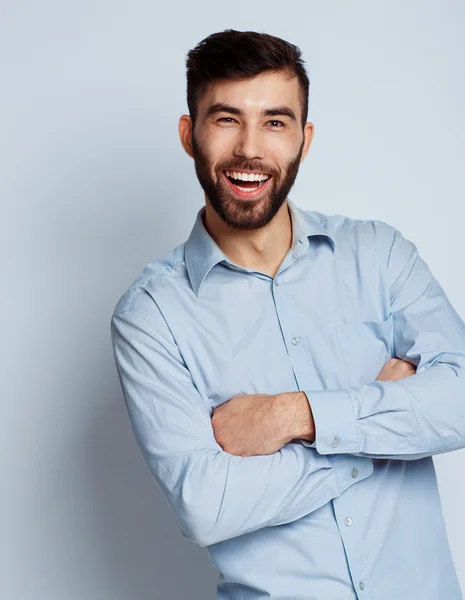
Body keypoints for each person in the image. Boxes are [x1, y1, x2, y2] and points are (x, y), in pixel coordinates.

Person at [110, 29, 465, 600]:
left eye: (275, 122)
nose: (251, 148)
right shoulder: (151, 316)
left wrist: (293, 416)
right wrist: (376, 429)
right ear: (188, 134)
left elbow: (460, 402)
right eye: (226, 119)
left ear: (305, 137)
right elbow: (207, 506)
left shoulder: (379, 256)